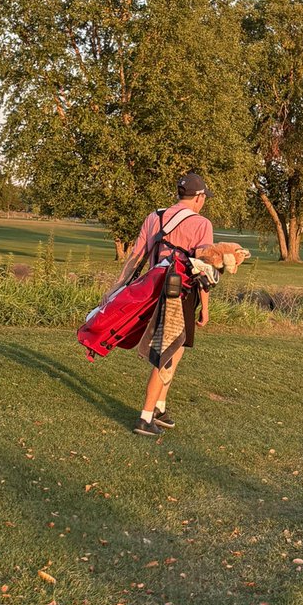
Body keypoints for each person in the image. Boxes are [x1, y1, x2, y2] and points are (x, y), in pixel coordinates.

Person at [118, 171, 214, 437]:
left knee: (174, 351)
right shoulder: (201, 224)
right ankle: (145, 417)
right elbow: (203, 268)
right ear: (198, 197)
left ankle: (159, 407)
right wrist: (205, 307)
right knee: (168, 355)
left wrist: (118, 287)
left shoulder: (155, 217)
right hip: (181, 294)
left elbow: (136, 256)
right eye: (204, 197)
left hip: (153, 288)